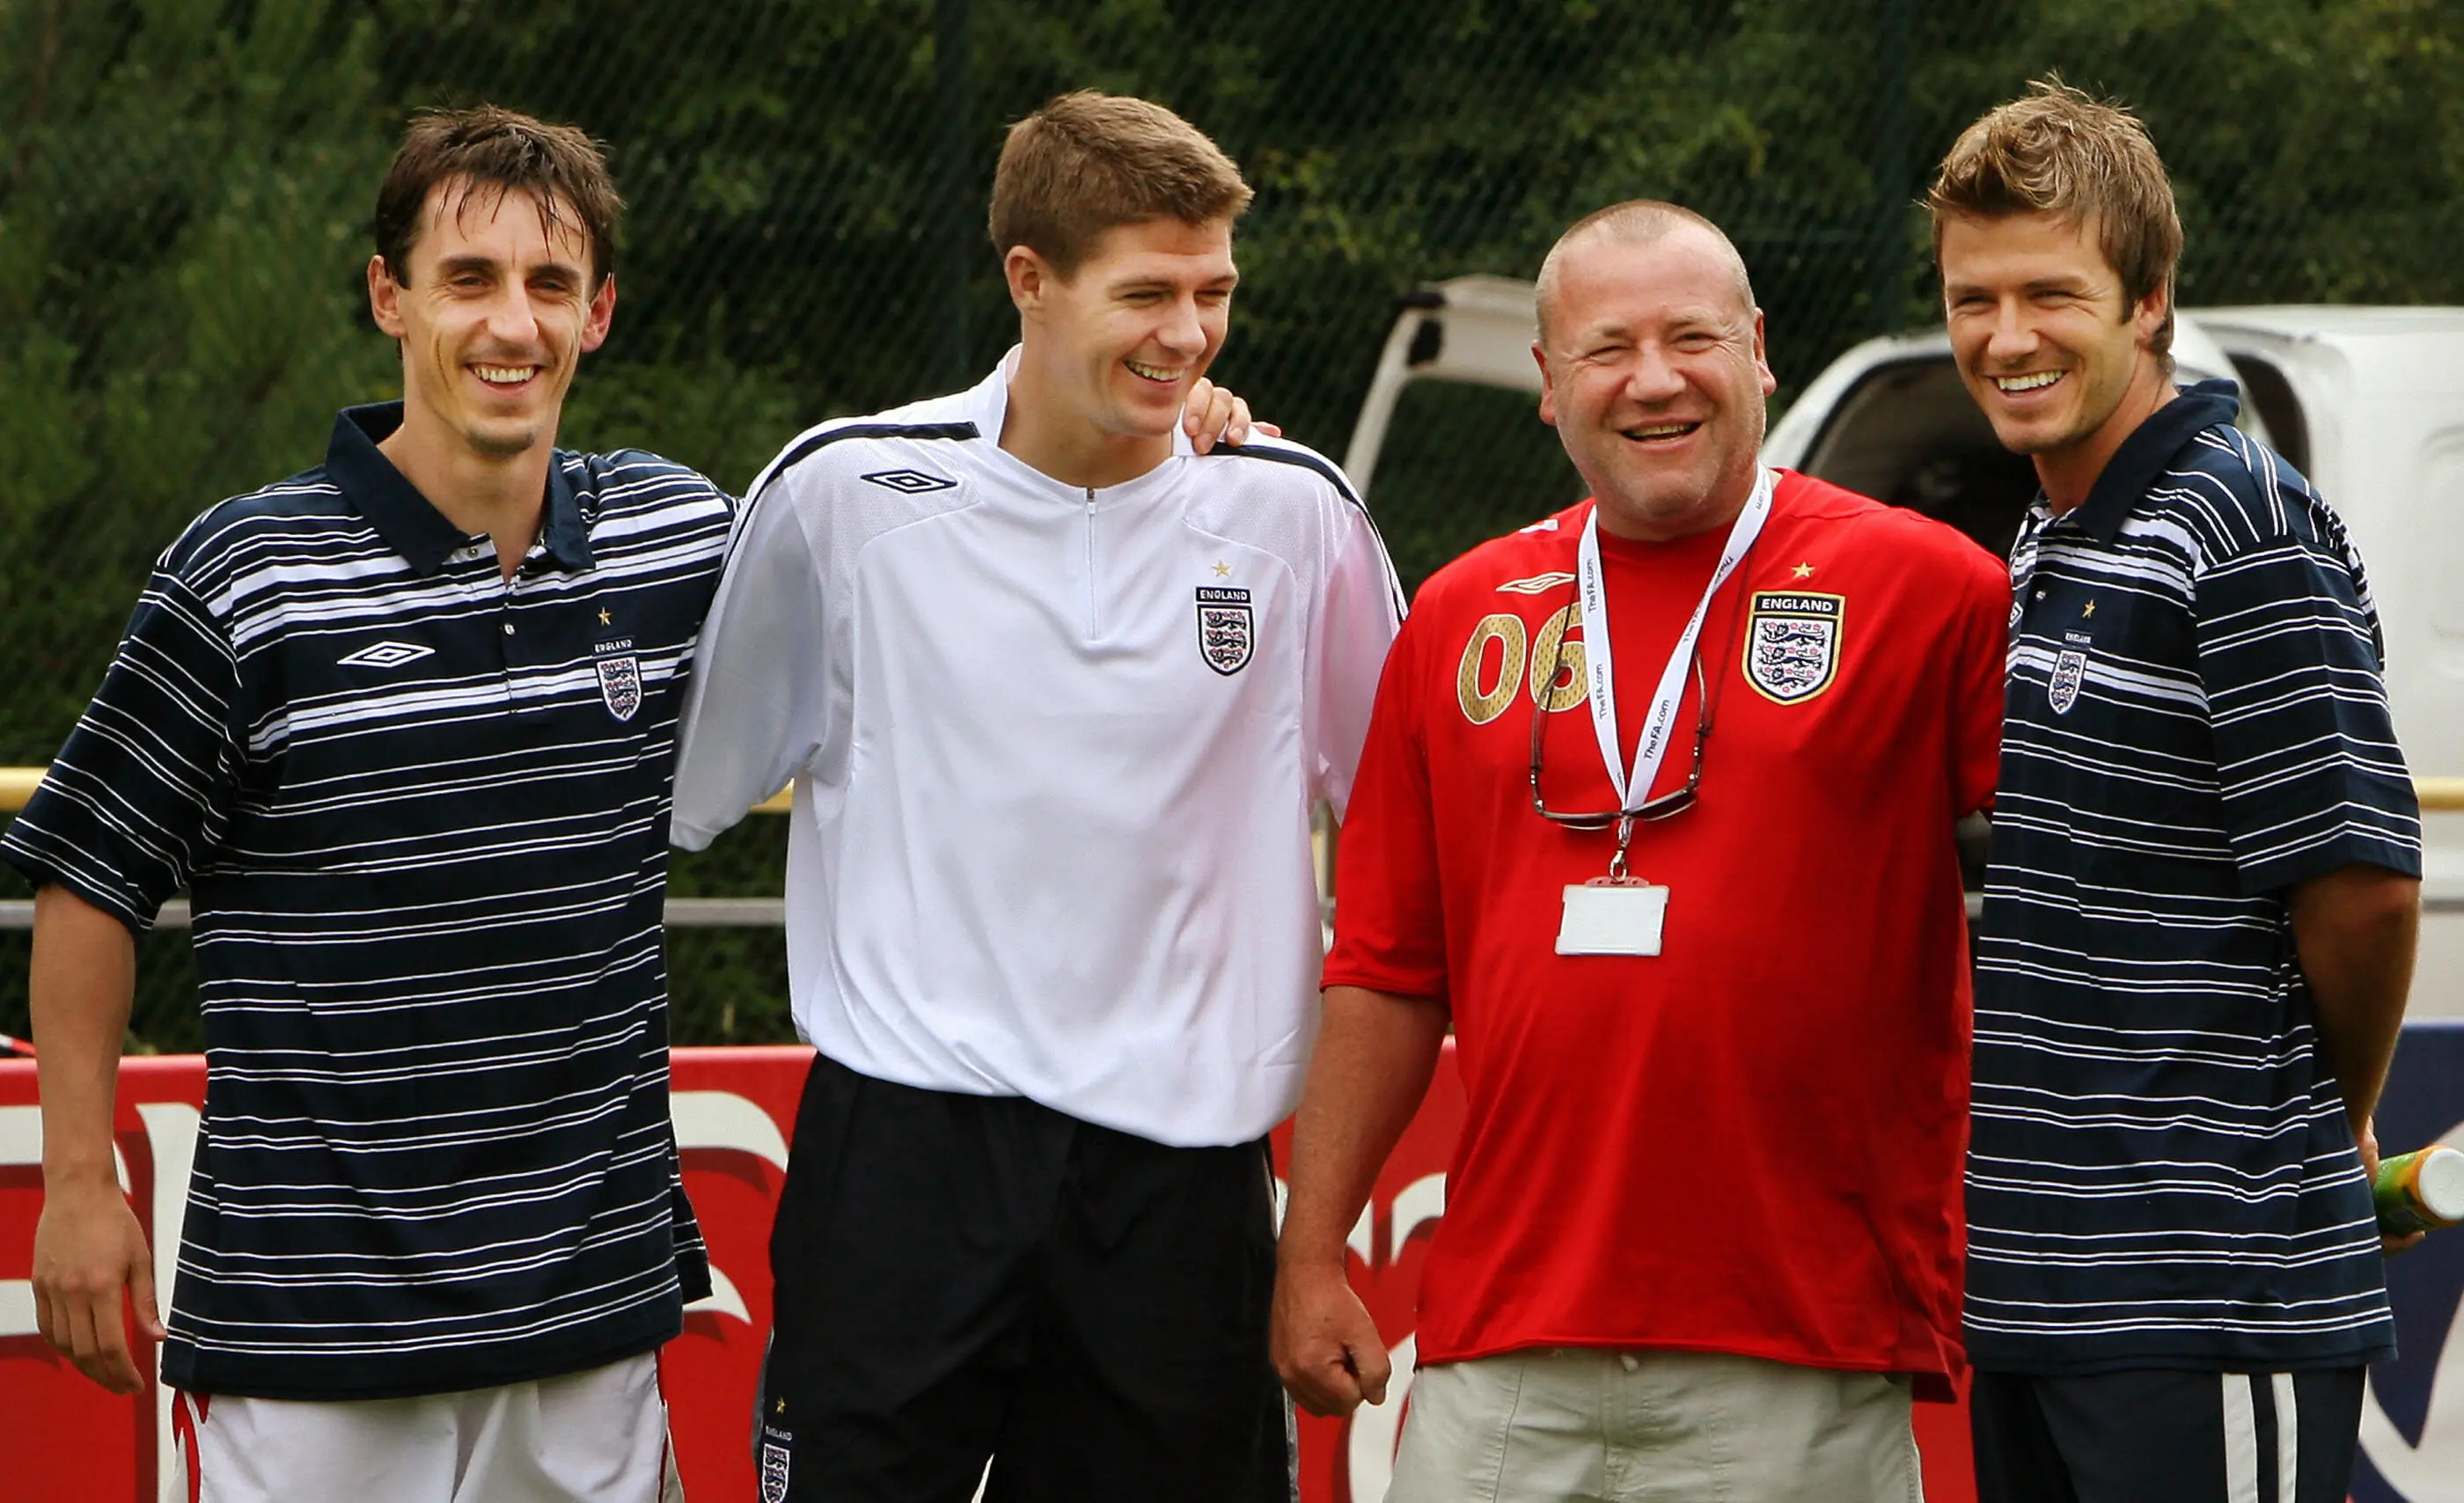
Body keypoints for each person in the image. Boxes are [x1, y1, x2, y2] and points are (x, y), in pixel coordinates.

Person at [2, 101, 1271, 1501]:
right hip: (316, 1337)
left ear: (599, 313)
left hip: (590, 1326)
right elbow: (91, 873)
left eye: (551, 286)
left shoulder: (683, 540)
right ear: (390, 298)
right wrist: (76, 1181)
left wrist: (1158, 411)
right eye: (469, 280)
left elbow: (938, 526)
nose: (513, 325)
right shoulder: (245, 572)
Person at [668, 91, 1401, 1502]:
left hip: (1182, 1182)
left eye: (1214, 293)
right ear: (1029, 282)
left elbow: (1404, 836)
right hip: (903, 1152)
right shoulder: (844, 495)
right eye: (1146, 294)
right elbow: (683, 790)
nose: (1188, 336)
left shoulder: (1293, 510)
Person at [1270, 200, 2010, 1501]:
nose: (1654, 379)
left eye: (1691, 337)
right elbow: (1386, 969)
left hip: (1797, 1341)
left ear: (1761, 349)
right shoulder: (1455, 618)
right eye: (1607, 348)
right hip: (1502, 1343)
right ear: (1548, 389)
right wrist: (1313, 1250)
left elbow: (2100, 878)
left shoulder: (1932, 591)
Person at [1931, 81, 2424, 1503]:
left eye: (2049, 294)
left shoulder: (2240, 520)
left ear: (2150, 297)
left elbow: (2367, 888)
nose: (2006, 339)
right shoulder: (2057, 532)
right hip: (2040, 1299)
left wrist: (2334, 1121)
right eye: (1974, 298)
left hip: (2211, 1293)